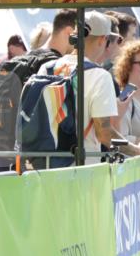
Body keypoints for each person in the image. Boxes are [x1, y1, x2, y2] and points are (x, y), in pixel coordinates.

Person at [38, 11, 124, 162]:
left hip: (46, 164)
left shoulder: (47, 68)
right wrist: (137, 149)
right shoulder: (100, 76)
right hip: (82, 167)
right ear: (103, 39)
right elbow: (104, 134)